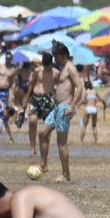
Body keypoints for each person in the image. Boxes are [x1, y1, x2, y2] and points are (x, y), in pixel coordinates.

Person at [37, 45, 82, 181]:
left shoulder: (70, 68)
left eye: (56, 56)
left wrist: (72, 106)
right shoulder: (63, 69)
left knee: (61, 142)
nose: (55, 59)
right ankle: (44, 164)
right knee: (42, 133)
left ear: (62, 55)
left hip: (65, 107)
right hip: (57, 108)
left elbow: (79, 87)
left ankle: (65, 174)